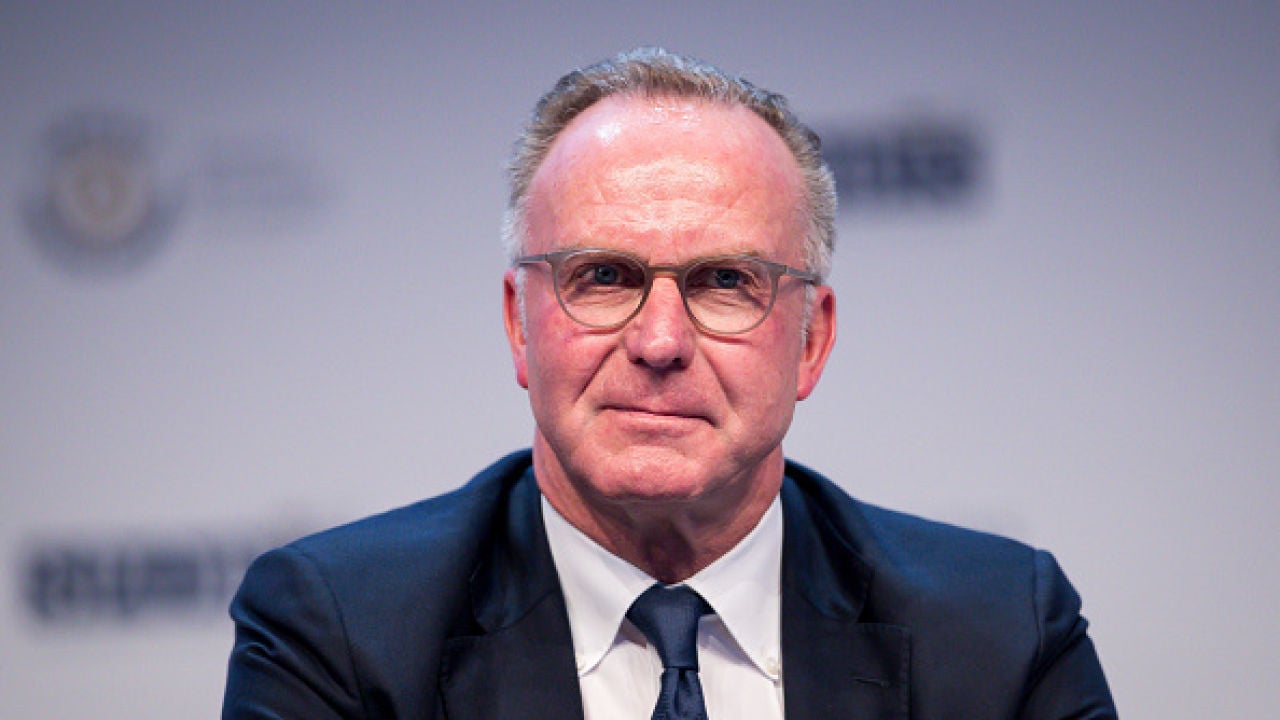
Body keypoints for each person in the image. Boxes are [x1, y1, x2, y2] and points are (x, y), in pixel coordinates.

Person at [222, 48, 1117, 720]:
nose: (659, 342)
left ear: (811, 340)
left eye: (725, 281)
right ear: (519, 326)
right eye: (603, 276)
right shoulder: (340, 634)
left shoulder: (1002, 635)